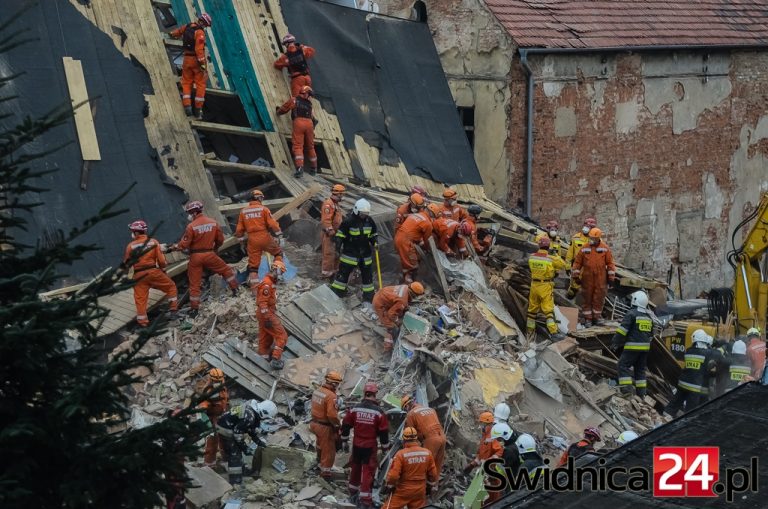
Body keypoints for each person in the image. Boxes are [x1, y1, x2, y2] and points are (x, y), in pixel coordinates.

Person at [167, 201, 238, 317]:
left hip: (195, 257)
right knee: (226, 271)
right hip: (210, 254)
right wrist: (214, 249)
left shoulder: (191, 227)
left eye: (189, 213)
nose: (189, 215)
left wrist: (173, 247)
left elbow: (183, 245)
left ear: (193, 213)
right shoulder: (213, 223)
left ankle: (194, 309)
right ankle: (235, 290)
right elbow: (220, 240)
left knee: (194, 283)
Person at [341, 382, 389, 509]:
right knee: (368, 472)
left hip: (357, 444)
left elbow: (346, 424)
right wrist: (385, 449)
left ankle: (352, 492)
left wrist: (344, 440)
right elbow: (384, 432)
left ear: (365, 393)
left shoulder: (355, 408)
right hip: (369, 445)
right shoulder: (379, 412)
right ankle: (365, 500)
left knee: (355, 468)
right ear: (375, 394)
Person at [123, 220, 178, 326]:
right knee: (171, 287)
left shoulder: (130, 246)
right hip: (153, 272)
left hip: (138, 276)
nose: (132, 233)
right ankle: (173, 313)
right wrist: (162, 269)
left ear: (137, 233)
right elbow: (161, 261)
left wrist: (128, 276)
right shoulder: (153, 242)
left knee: (140, 299)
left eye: (133, 231)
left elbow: (126, 265)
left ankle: (143, 324)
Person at [216, 399, 277, 485]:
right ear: (263, 413)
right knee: (234, 454)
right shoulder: (249, 416)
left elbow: (249, 429)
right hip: (225, 429)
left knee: (238, 449)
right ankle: (235, 480)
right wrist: (245, 448)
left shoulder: (251, 412)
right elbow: (237, 434)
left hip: (230, 427)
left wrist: (258, 442)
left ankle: (242, 471)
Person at [330, 198, 378, 302]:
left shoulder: (369, 221)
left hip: (365, 254)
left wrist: (375, 242)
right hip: (350, 253)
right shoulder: (348, 221)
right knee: (343, 274)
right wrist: (338, 248)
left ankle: (369, 297)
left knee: (367, 277)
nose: (364, 215)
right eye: (362, 213)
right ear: (356, 211)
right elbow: (340, 235)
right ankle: (337, 293)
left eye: (366, 213)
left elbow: (373, 234)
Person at [234, 189, 284, 288]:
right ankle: (277, 275)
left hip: (252, 240)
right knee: (278, 253)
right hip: (264, 237)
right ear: (259, 198)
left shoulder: (243, 211)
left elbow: (239, 230)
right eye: (261, 198)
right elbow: (273, 224)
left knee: (253, 267)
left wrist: (241, 242)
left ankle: (254, 289)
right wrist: (280, 235)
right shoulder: (264, 209)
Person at [383, 427, 438, 509]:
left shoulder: (400, 454)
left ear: (404, 440)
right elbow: (433, 475)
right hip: (420, 490)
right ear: (416, 439)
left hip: (403, 491)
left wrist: (389, 485)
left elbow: (393, 476)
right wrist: (430, 486)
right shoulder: (427, 453)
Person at [169, 13, 212, 119]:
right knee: (201, 84)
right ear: (204, 23)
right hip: (196, 61)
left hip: (186, 59)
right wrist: (202, 65)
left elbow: (176, 33)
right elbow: (199, 50)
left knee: (186, 82)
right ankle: (198, 110)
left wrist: (171, 34)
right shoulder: (200, 33)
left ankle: (187, 106)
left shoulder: (188, 26)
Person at [611, 290, 654, 397]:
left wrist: (615, 342)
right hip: (645, 350)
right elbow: (652, 334)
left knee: (623, 366)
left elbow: (622, 331)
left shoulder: (631, 314)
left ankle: (627, 392)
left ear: (635, 300)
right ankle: (641, 395)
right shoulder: (649, 317)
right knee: (640, 371)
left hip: (632, 347)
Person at [571, 227, 616, 326]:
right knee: (587, 297)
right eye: (590, 238)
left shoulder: (605, 248)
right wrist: (576, 276)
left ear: (598, 238)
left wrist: (611, 278)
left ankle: (597, 317)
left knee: (598, 298)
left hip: (601, 278)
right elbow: (577, 263)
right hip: (587, 278)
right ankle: (588, 318)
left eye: (593, 238)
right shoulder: (584, 248)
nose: (592, 240)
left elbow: (610, 264)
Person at [664, 329, 714, 416]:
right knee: (690, 410)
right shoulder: (708, 353)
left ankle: (665, 415)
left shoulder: (688, 351)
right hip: (694, 387)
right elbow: (708, 367)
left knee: (676, 402)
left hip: (683, 383)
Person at [527, 235, 566, 339]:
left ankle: (529, 333)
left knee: (532, 311)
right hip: (545, 286)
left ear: (539, 245)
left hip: (534, 285)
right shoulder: (550, 258)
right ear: (548, 246)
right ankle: (553, 332)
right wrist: (556, 254)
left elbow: (531, 268)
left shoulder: (532, 257)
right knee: (548, 310)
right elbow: (563, 264)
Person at [276, 85, 318, 177]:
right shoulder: (310, 104)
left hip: (298, 122)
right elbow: (312, 117)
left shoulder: (294, 100)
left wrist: (278, 112)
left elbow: (284, 108)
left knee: (298, 146)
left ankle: (299, 169)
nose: (310, 97)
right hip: (309, 124)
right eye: (310, 95)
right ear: (307, 94)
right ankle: (314, 169)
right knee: (311, 147)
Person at [401, 394, 447, 477]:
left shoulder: (411, 414)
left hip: (431, 440)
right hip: (443, 437)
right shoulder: (430, 409)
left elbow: (410, 435)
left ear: (407, 405)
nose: (406, 411)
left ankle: (421, 486)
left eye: (405, 409)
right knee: (437, 464)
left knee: (423, 465)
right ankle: (434, 486)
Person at [255, 261, 289, 370]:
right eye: (281, 273)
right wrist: (268, 318)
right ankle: (275, 360)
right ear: (276, 270)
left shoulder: (269, 282)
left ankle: (263, 359)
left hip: (264, 314)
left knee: (265, 338)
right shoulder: (267, 284)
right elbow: (262, 303)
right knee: (282, 336)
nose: (281, 276)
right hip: (266, 313)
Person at [372, 282, 425, 350]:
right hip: (379, 304)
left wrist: (403, 308)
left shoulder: (405, 287)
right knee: (392, 327)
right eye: (417, 296)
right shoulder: (402, 301)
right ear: (414, 294)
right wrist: (397, 322)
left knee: (400, 309)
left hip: (382, 295)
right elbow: (391, 314)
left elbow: (402, 301)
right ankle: (387, 347)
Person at [311, 371, 343, 480]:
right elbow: (332, 415)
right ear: (334, 384)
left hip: (314, 423)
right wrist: (337, 425)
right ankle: (325, 474)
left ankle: (318, 464)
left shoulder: (318, 391)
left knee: (320, 445)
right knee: (329, 450)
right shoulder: (331, 396)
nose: (338, 386)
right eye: (337, 384)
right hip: (325, 426)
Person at [394, 194, 434, 283]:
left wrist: (419, 241)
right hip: (405, 239)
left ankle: (410, 280)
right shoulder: (402, 210)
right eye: (417, 207)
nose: (419, 209)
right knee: (411, 265)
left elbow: (415, 228)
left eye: (420, 207)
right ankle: (410, 285)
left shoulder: (419, 211)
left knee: (412, 262)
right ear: (411, 203)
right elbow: (398, 228)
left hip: (411, 237)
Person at [201, 368, 229, 467]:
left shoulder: (223, 385)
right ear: (211, 379)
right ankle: (209, 462)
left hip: (222, 416)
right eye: (216, 381)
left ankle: (226, 458)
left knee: (224, 439)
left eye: (219, 381)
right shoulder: (208, 391)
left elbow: (225, 399)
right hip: (212, 418)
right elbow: (203, 408)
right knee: (212, 441)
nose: (218, 382)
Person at [565, 217, 597, 298]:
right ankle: (568, 300)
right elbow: (570, 253)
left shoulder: (596, 240)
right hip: (578, 267)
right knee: (573, 288)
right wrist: (568, 266)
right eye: (586, 225)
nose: (586, 228)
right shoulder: (576, 238)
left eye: (589, 227)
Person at [320, 184, 346, 278]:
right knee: (329, 253)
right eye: (342, 194)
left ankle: (334, 272)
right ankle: (326, 274)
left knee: (336, 253)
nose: (343, 196)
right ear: (338, 194)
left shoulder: (335, 204)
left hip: (335, 233)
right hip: (329, 234)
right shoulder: (328, 204)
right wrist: (331, 233)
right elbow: (326, 221)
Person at [489, 423, 520, 499]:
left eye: (498, 439)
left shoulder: (510, 451)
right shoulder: (515, 440)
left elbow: (503, 470)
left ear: (504, 437)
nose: (497, 442)